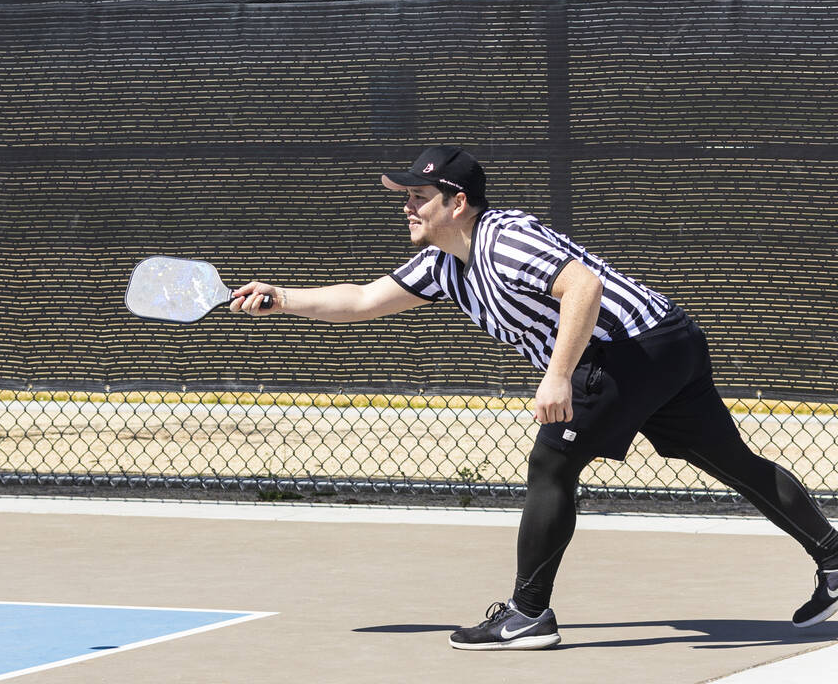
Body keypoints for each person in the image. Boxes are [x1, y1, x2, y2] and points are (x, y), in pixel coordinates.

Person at [230, 145, 838, 650]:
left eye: (418, 197)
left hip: (628, 350)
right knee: (728, 461)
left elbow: (582, 286)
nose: (408, 208)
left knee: (553, 462)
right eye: (407, 197)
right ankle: (834, 556)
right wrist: (281, 296)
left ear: (457, 202)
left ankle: (528, 615)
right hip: (666, 342)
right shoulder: (446, 262)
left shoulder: (505, 241)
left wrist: (557, 375)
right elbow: (362, 301)